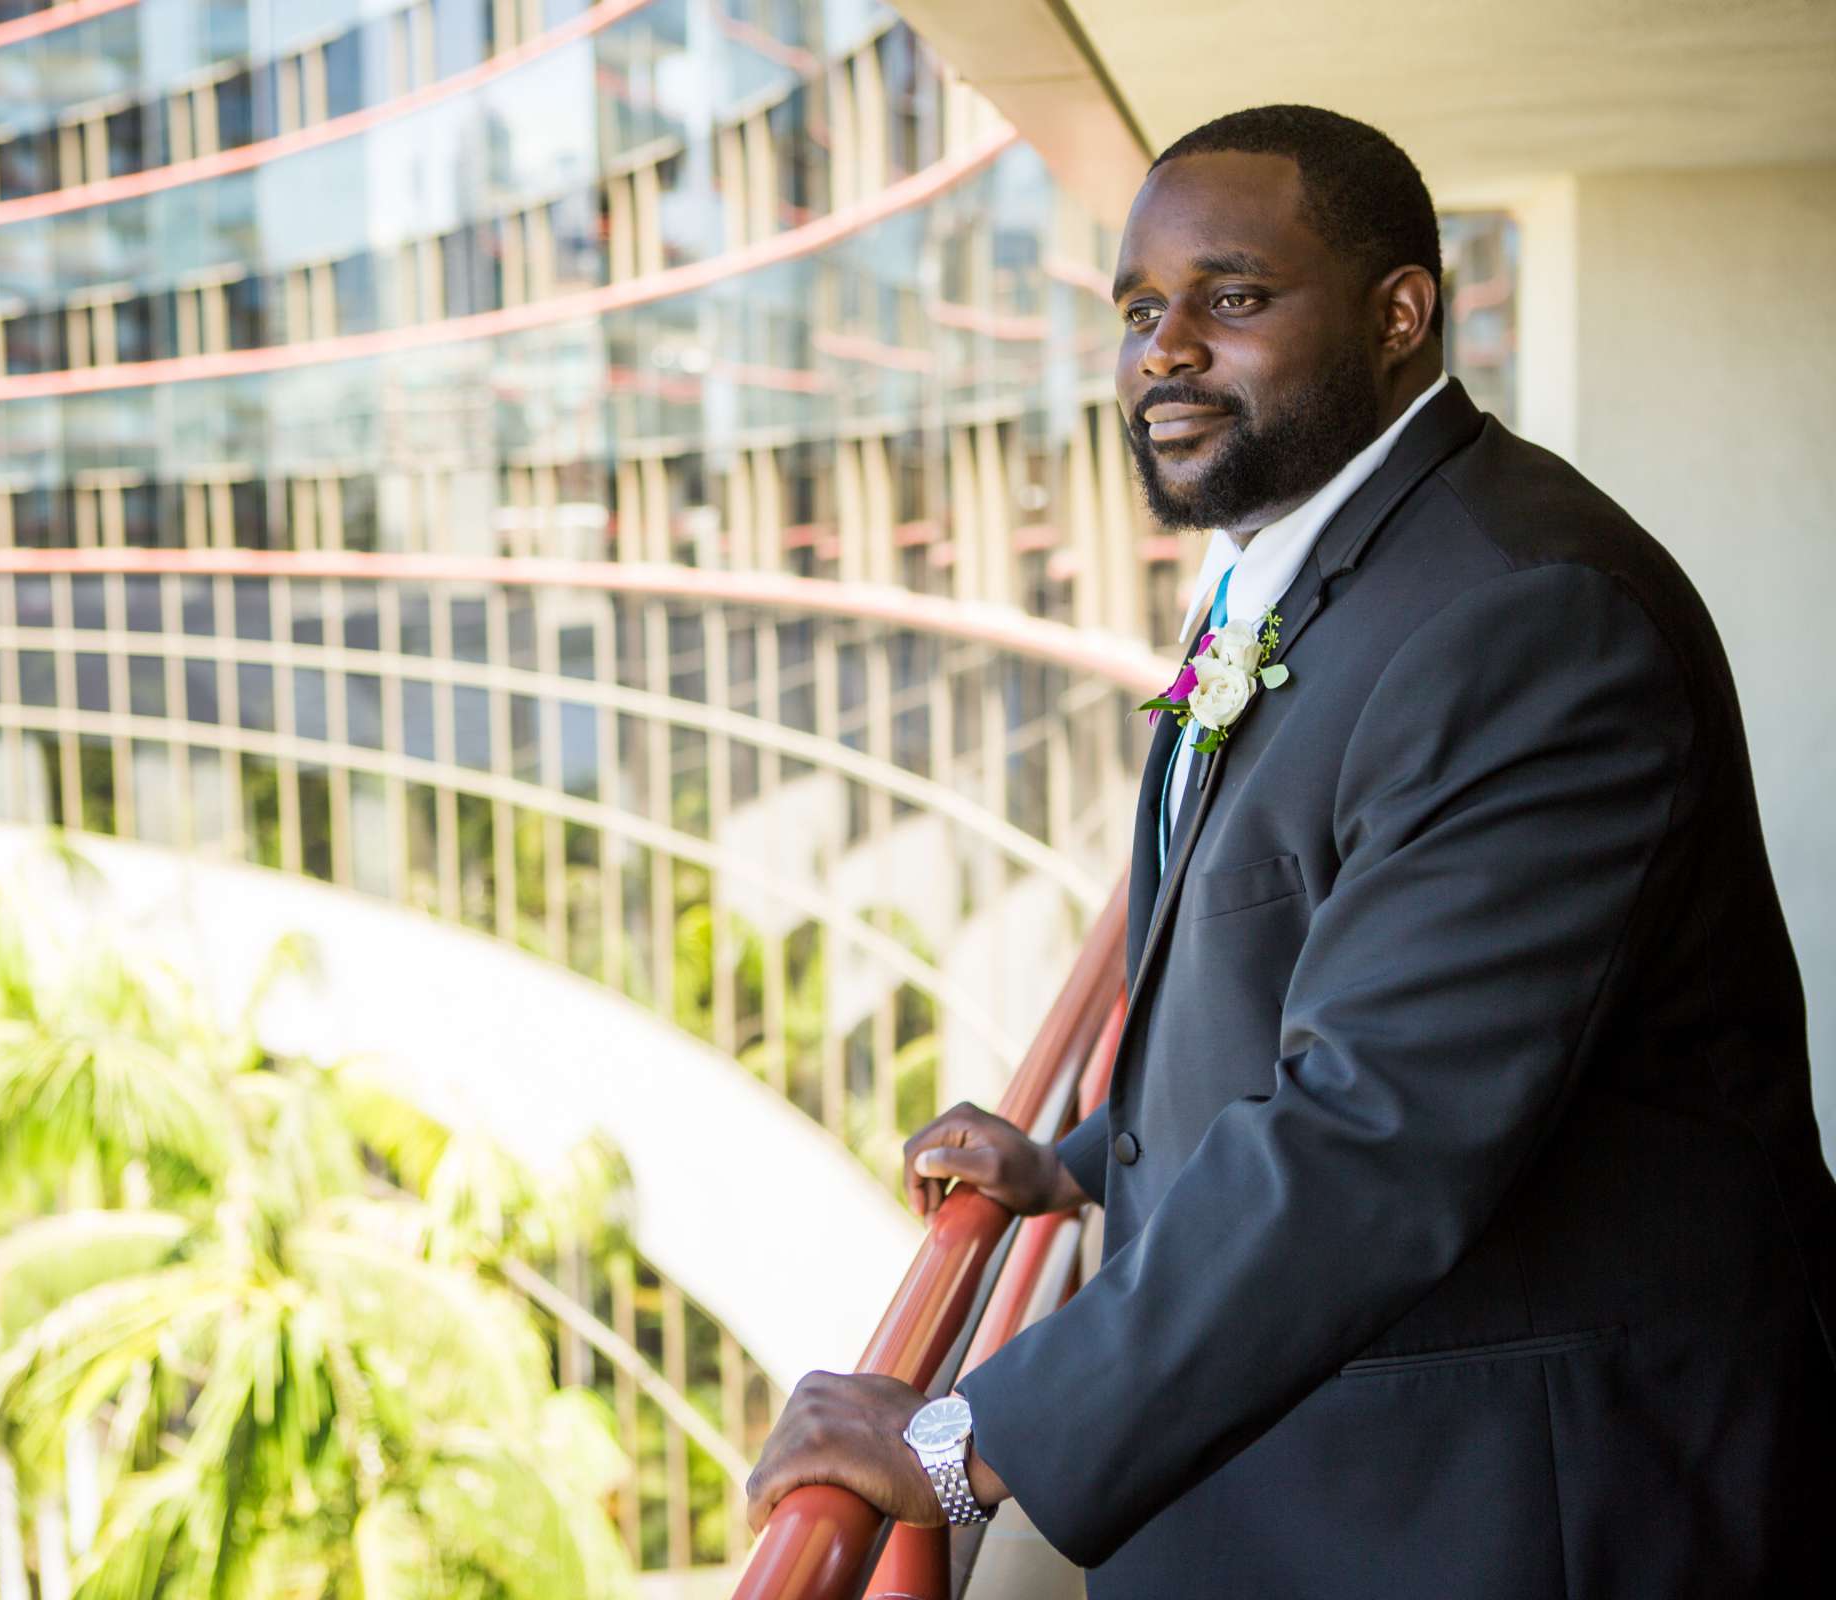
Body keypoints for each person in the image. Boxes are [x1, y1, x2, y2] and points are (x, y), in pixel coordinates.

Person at [743, 104, 1836, 1597]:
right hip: (1357, 1440)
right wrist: (1088, 1164)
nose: (1165, 349)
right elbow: (1309, 948)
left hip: (1519, 1493)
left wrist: (960, 1439)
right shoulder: (1302, 567)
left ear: (1400, 314)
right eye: (1139, 309)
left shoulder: (1523, 617)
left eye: (1233, 298)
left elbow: (1382, 1123)